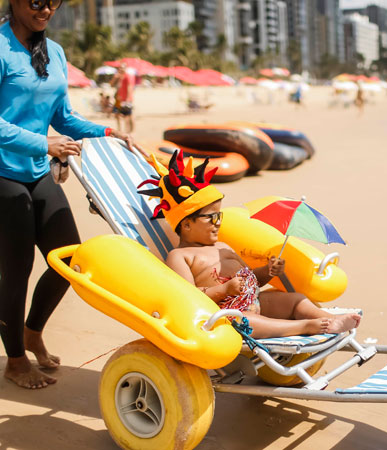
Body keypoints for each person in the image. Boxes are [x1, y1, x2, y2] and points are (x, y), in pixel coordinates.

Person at [0, 0, 137, 389]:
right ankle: (14, 360)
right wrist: (43, 144)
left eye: (54, 1)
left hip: (38, 170)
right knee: (16, 271)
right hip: (2, 173)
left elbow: (63, 118)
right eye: (37, 1)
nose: (47, 9)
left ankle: (32, 331)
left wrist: (107, 133)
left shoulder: (54, 52)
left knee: (72, 261)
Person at [140, 151, 362, 339]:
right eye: (212, 218)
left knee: (296, 300)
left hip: (255, 300)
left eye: (219, 216)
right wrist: (223, 290)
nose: (219, 222)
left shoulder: (223, 246)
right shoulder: (181, 256)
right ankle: (305, 326)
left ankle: (331, 319)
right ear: (187, 225)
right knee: (246, 320)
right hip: (225, 315)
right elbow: (187, 297)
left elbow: (251, 280)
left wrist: (267, 271)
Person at [111, 62, 135, 132]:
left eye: (122, 67)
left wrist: (128, 99)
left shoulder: (127, 76)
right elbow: (111, 84)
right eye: (120, 68)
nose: (121, 69)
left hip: (126, 99)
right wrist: (115, 78)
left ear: (125, 68)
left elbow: (129, 87)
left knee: (128, 116)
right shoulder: (119, 77)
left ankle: (129, 131)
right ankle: (120, 129)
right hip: (118, 99)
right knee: (117, 114)